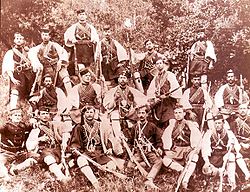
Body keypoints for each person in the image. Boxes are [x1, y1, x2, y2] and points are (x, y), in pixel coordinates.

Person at [66, 106, 118, 191]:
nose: (89, 114)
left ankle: (107, 181)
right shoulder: (79, 127)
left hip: (99, 152)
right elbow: (75, 143)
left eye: (91, 112)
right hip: (85, 153)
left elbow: (108, 137)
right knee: (81, 161)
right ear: (83, 114)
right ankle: (96, 184)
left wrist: (109, 148)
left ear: (94, 113)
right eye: (87, 112)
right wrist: (77, 150)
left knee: (112, 165)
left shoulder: (100, 125)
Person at [201, 114, 250, 191]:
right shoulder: (209, 133)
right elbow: (205, 148)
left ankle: (232, 182)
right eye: (216, 123)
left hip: (225, 154)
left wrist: (232, 148)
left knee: (231, 156)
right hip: (214, 157)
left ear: (223, 123)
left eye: (219, 123)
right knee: (210, 170)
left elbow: (236, 145)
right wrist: (206, 161)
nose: (217, 125)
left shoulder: (228, 133)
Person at [162, 104, 202, 190]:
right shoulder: (172, 125)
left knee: (194, 157)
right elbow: (166, 137)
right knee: (165, 160)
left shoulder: (189, 124)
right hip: (176, 150)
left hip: (187, 149)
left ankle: (185, 181)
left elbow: (197, 136)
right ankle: (182, 170)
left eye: (180, 112)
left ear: (184, 113)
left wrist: (194, 148)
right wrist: (167, 149)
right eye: (176, 113)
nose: (178, 115)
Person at [26, 106, 70, 182]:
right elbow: (29, 146)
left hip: (56, 150)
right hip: (44, 152)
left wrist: (64, 142)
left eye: (47, 113)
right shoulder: (36, 129)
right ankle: (62, 178)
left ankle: (50, 173)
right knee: (49, 159)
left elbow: (66, 131)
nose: (45, 116)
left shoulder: (54, 125)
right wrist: (39, 139)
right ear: (39, 116)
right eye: (43, 114)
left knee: (69, 159)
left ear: (49, 115)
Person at [103, 71, 148, 139]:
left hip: (130, 113)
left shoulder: (132, 90)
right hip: (118, 112)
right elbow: (108, 107)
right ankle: (119, 138)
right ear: (118, 79)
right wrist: (115, 98)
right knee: (114, 116)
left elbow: (142, 101)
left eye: (124, 78)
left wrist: (136, 107)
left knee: (141, 114)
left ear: (127, 80)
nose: (122, 79)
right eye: (121, 78)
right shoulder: (112, 91)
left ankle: (138, 137)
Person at [28, 27, 72, 96]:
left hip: (58, 66)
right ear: (41, 36)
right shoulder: (37, 48)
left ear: (49, 36)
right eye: (43, 35)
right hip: (46, 69)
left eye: (46, 35)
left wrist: (61, 61)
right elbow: (32, 56)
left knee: (66, 79)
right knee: (44, 81)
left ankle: (71, 96)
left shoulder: (55, 45)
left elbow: (63, 53)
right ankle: (43, 95)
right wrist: (38, 64)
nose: (45, 37)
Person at [131, 105, 163, 189]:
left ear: (146, 114)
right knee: (130, 165)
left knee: (159, 161)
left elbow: (158, 139)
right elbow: (131, 141)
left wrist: (159, 148)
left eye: (143, 113)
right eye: (139, 113)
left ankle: (149, 178)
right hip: (138, 151)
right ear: (137, 115)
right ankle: (141, 167)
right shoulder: (134, 127)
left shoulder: (152, 126)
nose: (141, 115)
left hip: (149, 151)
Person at [2, 32, 35, 109]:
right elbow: (8, 66)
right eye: (17, 38)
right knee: (15, 92)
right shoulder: (10, 52)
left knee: (29, 95)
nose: (19, 40)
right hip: (16, 76)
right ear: (14, 40)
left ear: (23, 40)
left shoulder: (28, 52)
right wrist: (12, 78)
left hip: (28, 76)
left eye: (21, 39)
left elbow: (33, 63)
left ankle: (30, 110)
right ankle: (12, 110)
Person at [0, 108, 36, 180]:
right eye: (15, 115)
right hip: (7, 152)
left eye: (19, 116)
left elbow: (33, 125)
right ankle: (5, 177)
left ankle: (15, 169)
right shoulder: (5, 126)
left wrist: (34, 121)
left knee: (36, 158)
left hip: (20, 153)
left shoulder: (23, 126)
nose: (17, 117)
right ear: (10, 116)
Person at [147, 58, 182, 128]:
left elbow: (176, 89)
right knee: (158, 124)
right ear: (155, 66)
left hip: (168, 102)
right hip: (159, 104)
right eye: (157, 64)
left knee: (170, 121)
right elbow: (150, 91)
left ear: (163, 64)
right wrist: (154, 98)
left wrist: (167, 96)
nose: (159, 65)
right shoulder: (155, 78)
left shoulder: (170, 75)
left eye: (160, 63)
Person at [64, 9, 99, 75]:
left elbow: (95, 37)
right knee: (79, 66)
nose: (82, 16)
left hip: (88, 49)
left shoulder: (91, 27)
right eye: (80, 15)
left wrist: (94, 40)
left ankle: (88, 78)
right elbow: (67, 35)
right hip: (78, 49)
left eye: (83, 14)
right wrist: (72, 39)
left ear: (86, 16)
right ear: (77, 16)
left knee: (88, 66)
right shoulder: (74, 27)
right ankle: (81, 78)